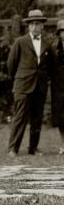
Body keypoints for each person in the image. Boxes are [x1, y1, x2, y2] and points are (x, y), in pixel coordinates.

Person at [7, 9, 53, 157]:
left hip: (40, 86)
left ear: (42, 26)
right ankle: (13, 149)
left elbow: (52, 67)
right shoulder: (20, 42)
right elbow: (11, 64)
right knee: (20, 117)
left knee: (37, 118)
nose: (34, 27)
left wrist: (46, 80)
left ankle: (33, 148)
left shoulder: (47, 44)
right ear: (28, 26)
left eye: (37, 24)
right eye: (31, 24)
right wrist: (20, 78)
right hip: (23, 86)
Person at [50, 19, 64, 154]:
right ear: (59, 33)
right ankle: (63, 144)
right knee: (61, 118)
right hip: (58, 88)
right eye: (63, 31)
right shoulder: (54, 48)